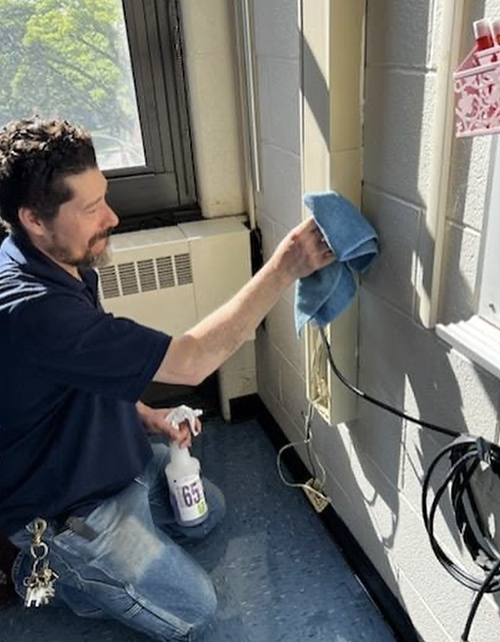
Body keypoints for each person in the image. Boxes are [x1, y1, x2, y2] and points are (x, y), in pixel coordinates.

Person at [0, 117, 335, 641]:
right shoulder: (30, 308)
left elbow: (79, 375)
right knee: (196, 611)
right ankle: (53, 570)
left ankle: (122, 544)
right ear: (33, 219)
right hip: (64, 508)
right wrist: (285, 265)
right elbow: (191, 361)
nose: (111, 217)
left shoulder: (65, 261)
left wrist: (147, 415)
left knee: (207, 512)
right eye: (90, 209)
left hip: (109, 461)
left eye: (104, 197)